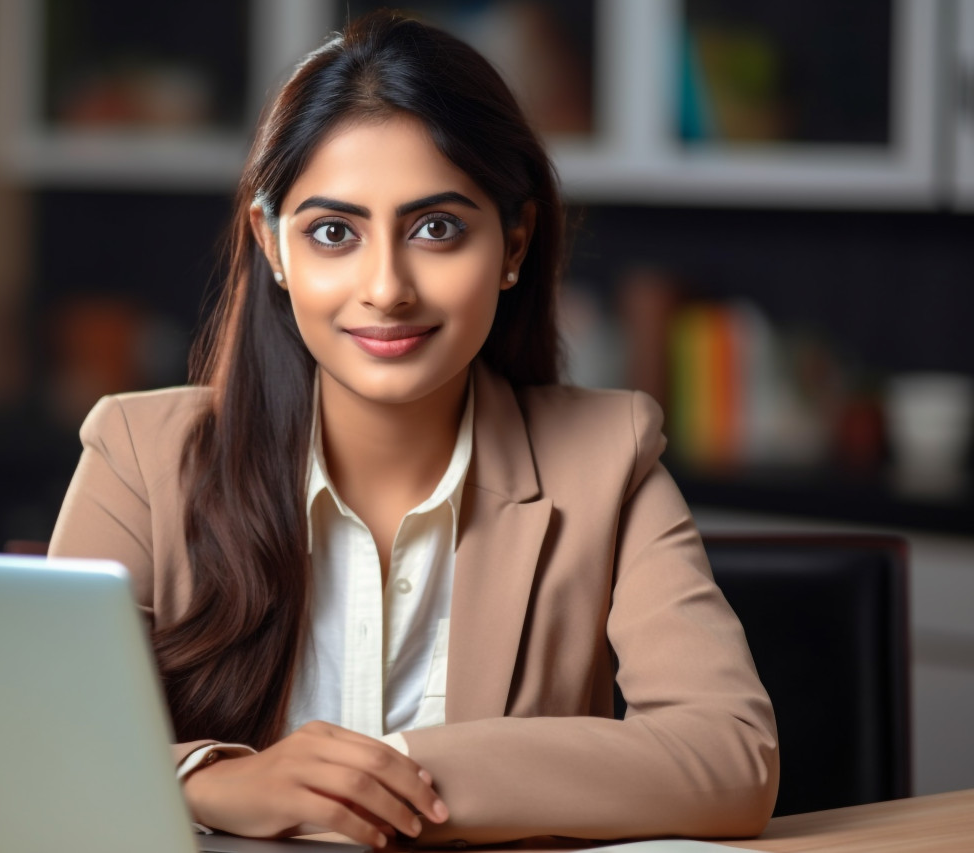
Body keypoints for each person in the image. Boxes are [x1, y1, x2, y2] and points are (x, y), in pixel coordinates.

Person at [49, 10, 778, 849]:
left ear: (513, 243)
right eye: (334, 232)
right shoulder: (137, 456)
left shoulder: (607, 458)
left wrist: (393, 773)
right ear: (273, 246)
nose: (387, 287)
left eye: (437, 228)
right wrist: (211, 780)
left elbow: (731, 756)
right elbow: (33, 747)